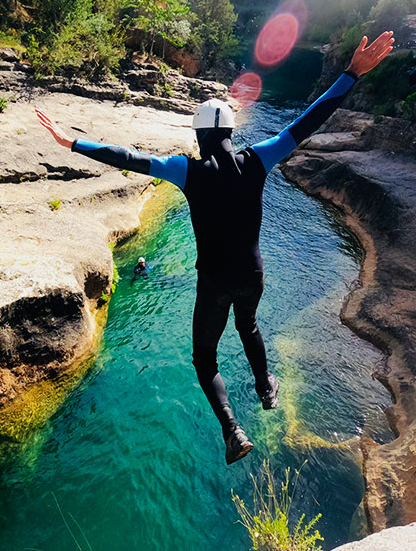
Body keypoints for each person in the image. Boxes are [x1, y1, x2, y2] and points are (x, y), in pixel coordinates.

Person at [36, 32, 395, 465]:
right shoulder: (258, 157)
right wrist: (351, 74)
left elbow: (126, 157)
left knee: (205, 357)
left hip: (214, 282)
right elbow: (307, 122)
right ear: (229, 130)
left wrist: (71, 142)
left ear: (199, 135)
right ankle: (266, 386)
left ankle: (233, 431)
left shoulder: (185, 170)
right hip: (253, 275)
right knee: (249, 327)